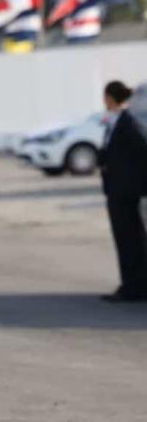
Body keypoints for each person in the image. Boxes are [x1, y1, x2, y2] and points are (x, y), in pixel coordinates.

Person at [98, 80, 147, 302]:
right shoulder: (116, 121)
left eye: (105, 97)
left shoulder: (128, 122)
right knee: (126, 240)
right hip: (117, 190)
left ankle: (133, 288)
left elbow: (141, 152)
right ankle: (131, 284)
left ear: (110, 97)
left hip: (126, 192)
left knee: (130, 241)